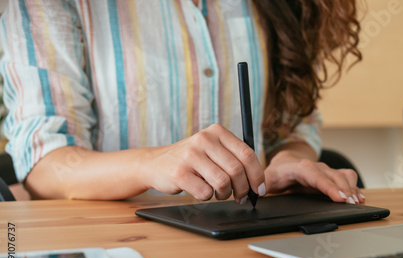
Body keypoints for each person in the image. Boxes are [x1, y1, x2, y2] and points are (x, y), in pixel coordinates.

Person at [0, 0, 364, 204]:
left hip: (248, 246)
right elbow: (46, 165)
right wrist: (150, 163)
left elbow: (292, 127)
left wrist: (286, 163)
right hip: (112, 254)